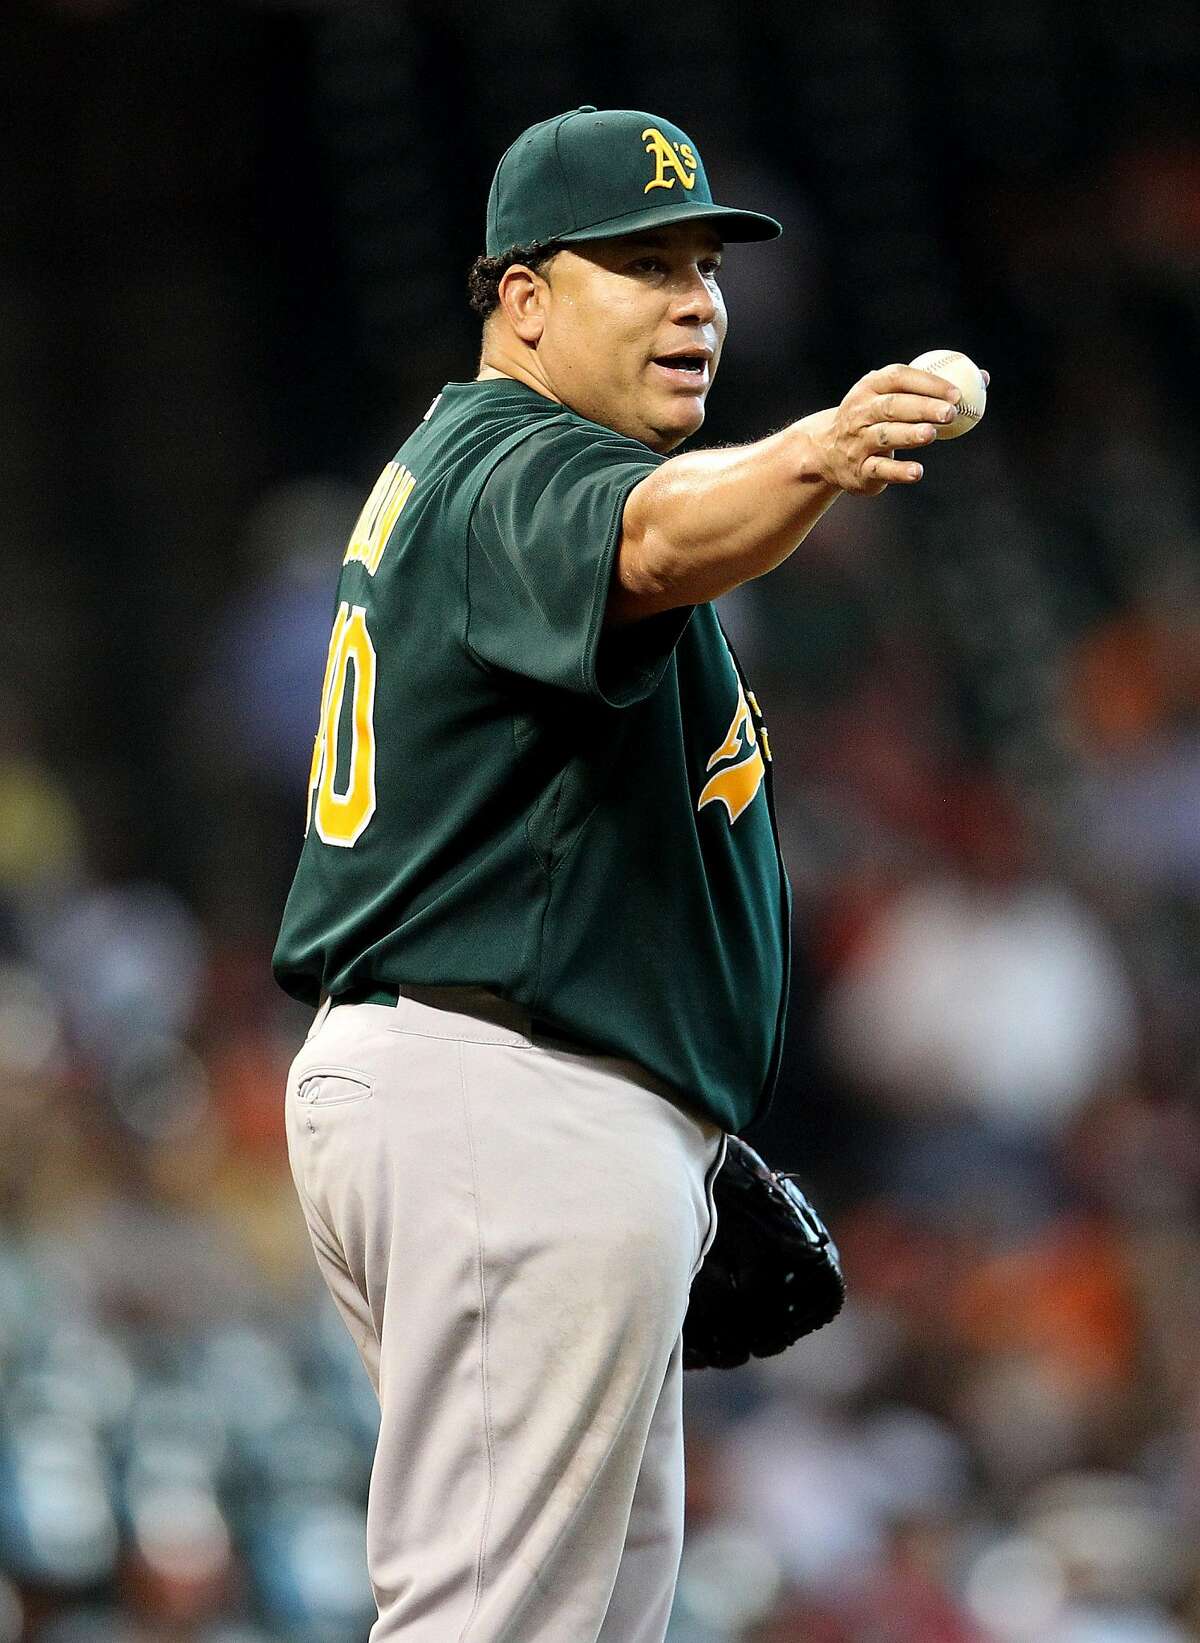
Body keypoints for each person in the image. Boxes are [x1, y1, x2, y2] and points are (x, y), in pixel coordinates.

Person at [272, 105, 965, 1643]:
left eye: (704, 267)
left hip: (505, 1089)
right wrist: (817, 453)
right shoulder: (517, 463)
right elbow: (652, 541)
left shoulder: (487, 474)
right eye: (642, 264)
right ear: (521, 298)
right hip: (507, 1092)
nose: (694, 300)